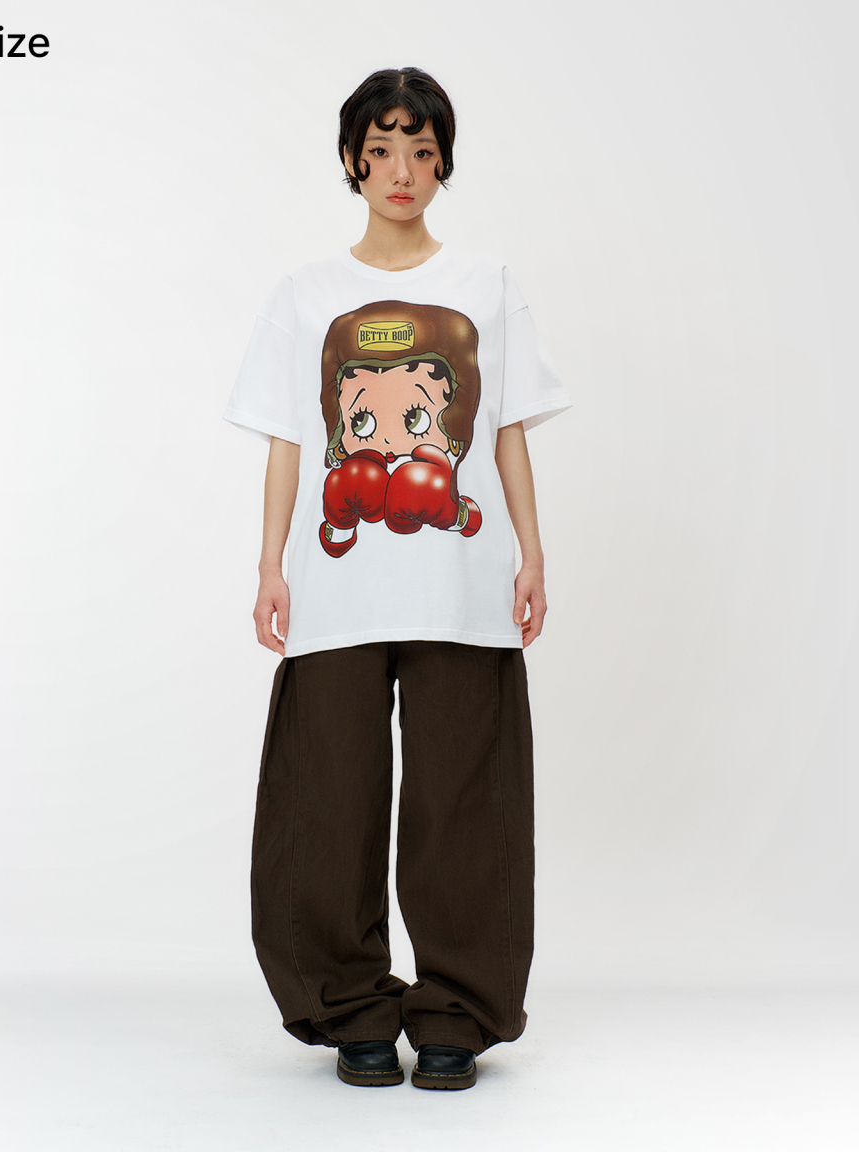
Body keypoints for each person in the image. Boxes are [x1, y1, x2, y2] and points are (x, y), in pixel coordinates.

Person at [222, 67, 572, 1091]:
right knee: (328, 801)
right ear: (352, 161)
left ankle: (457, 1012)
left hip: (463, 584)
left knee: (465, 804)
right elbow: (290, 440)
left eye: (422, 151)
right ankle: (350, 1010)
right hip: (337, 590)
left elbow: (505, 432)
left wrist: (532, 553)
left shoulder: (488, 283)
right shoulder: (304, 292)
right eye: (382, 151)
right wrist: (270, 564)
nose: (403, 172)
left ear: (443, 163)